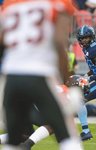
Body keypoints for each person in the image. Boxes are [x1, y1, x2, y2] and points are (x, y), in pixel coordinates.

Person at [0, 0, 83, 150]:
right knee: (67, 134)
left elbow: (2, 41)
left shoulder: (10, 5)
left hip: (11, 77)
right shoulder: (55, 4)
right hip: (38, 74)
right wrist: (68, 78)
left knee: (14, 138)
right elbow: (59, 42)